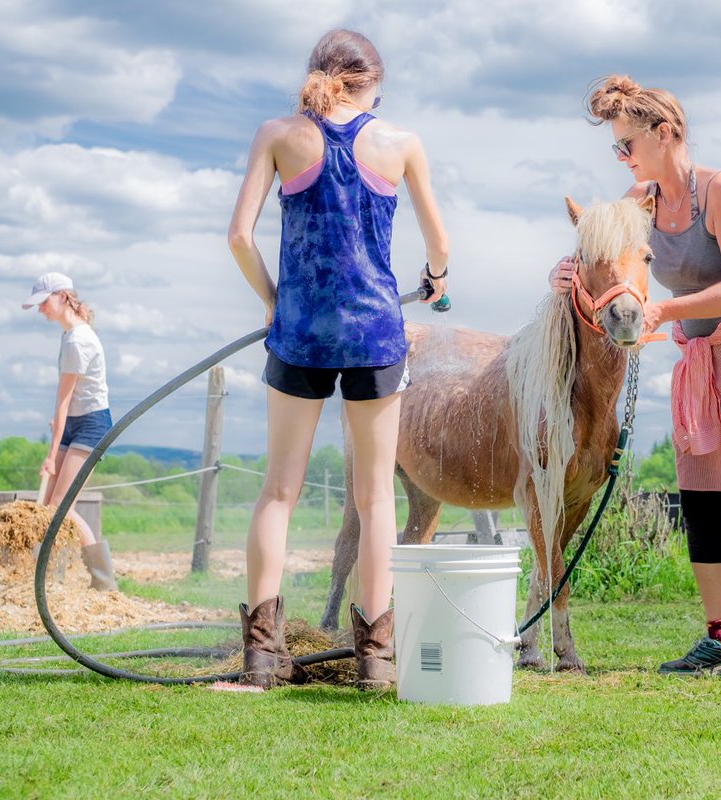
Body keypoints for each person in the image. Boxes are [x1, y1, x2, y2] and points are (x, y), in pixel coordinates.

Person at [550, 75, 721, 678]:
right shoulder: (640, 199)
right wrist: (565, 272)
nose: (622, 158)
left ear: (665, 134)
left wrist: (663, 311)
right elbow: (602, 250)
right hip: (699, 358)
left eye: (627, 145)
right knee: (700, 499)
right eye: (617, 149)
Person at [226, 29, 449, 691]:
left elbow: (239, 236)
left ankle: (263, 660)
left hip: (300, 329)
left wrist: (274, 299)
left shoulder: (276, 133)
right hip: (376, 332)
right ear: (373, 83)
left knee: (278, 491)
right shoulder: (401, 143)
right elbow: (439, 242)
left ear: (317, 74)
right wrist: (436, 276)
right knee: (377, 499)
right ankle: (376, 662)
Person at [22, 271, 119, 592]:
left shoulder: (78, 339)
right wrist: (58, 434)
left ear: (63, 296)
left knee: (62, 505)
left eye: (44, 302)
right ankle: (51, 576)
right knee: (50, 507)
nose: (40, 310)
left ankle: (104, 582)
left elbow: (62, 402)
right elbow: (65, 407)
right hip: (75, 421)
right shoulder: (69, 334)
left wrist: (52, 455)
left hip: (90, 424)